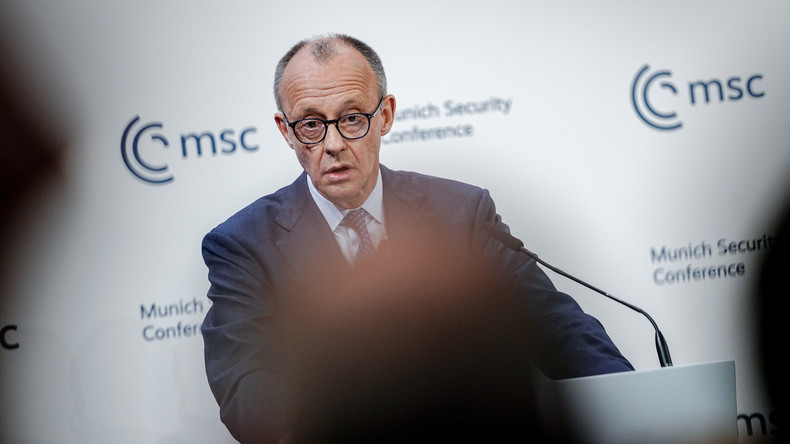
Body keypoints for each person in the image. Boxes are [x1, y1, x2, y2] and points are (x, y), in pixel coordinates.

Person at [200, 33, 633, 444]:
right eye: (311, 125)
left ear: (385, 115)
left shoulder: (462, 212)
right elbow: (246, 386)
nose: (333, 144)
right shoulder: (244, 245)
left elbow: (555, 326)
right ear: (286, 130)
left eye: (352, 119)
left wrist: (632, 407)